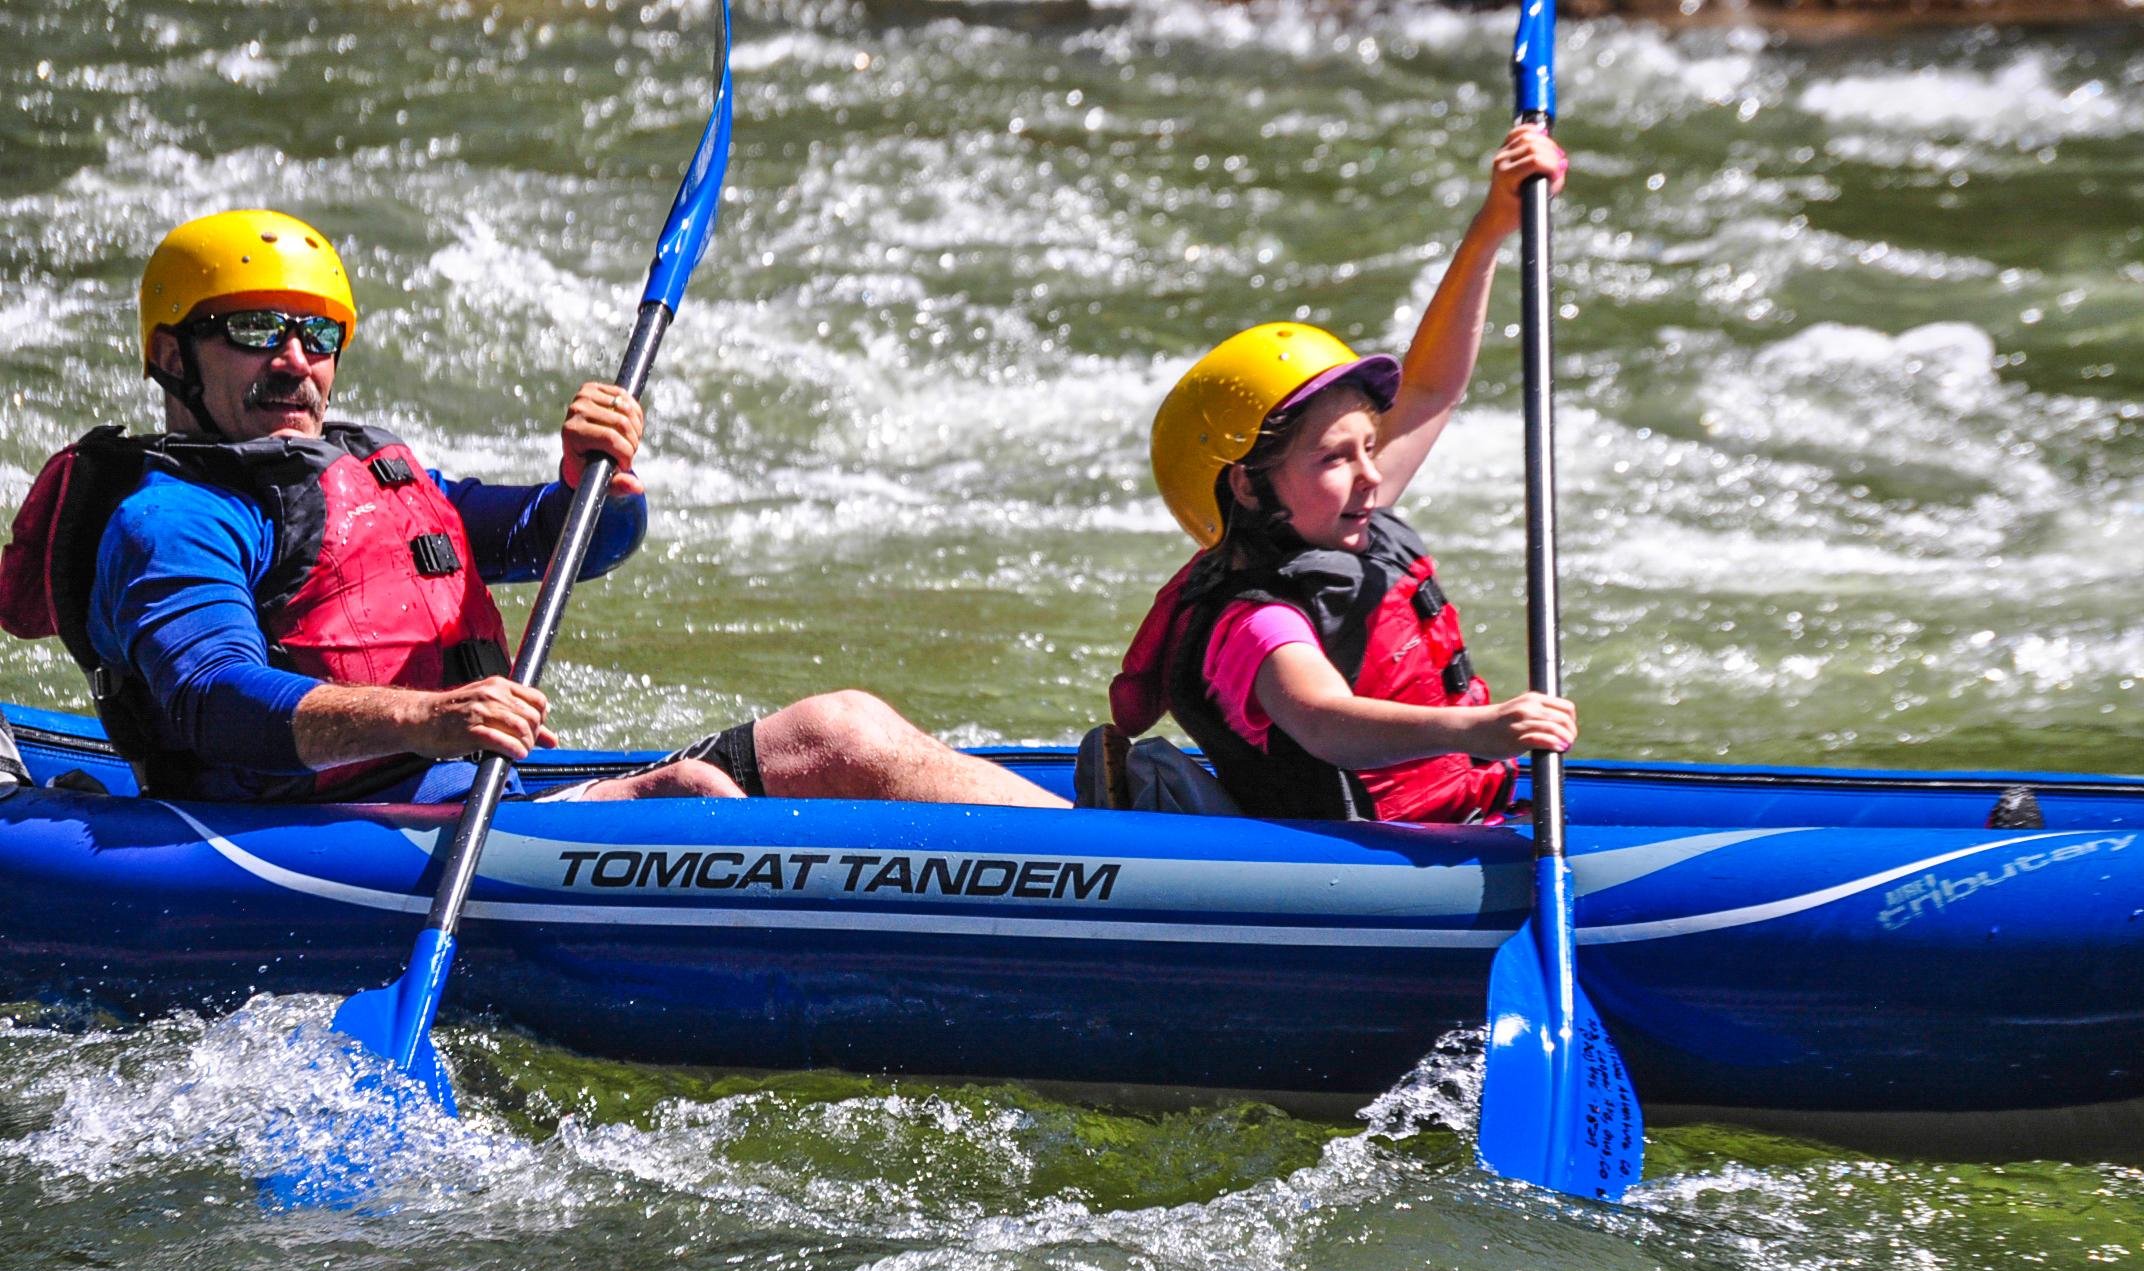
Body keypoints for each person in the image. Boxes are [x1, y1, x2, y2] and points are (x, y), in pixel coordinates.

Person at [0, 210, 1064, 809]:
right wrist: (428, 716)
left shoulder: (360, 466)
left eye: (317, 336)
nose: (293, 362)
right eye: (255, 330)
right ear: (168, 354)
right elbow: (217, 702)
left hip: (460, 787)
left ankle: (1116, 842)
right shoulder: (174, 515)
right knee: (691, 798)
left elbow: (574, 541)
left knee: (843, 730)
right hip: (320, 825)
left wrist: (589, 477)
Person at [1105, 124, 1578, 823]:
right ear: (1245, 484)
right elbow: (1327, 721)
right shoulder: (1256, 620)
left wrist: (1493, 223)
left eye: (1368, 446)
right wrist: (1478, 729)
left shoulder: (1334, 516)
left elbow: (1430, 391)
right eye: (1335, 457)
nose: (1371, 477)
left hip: (1462, 813)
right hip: (1365, 858)